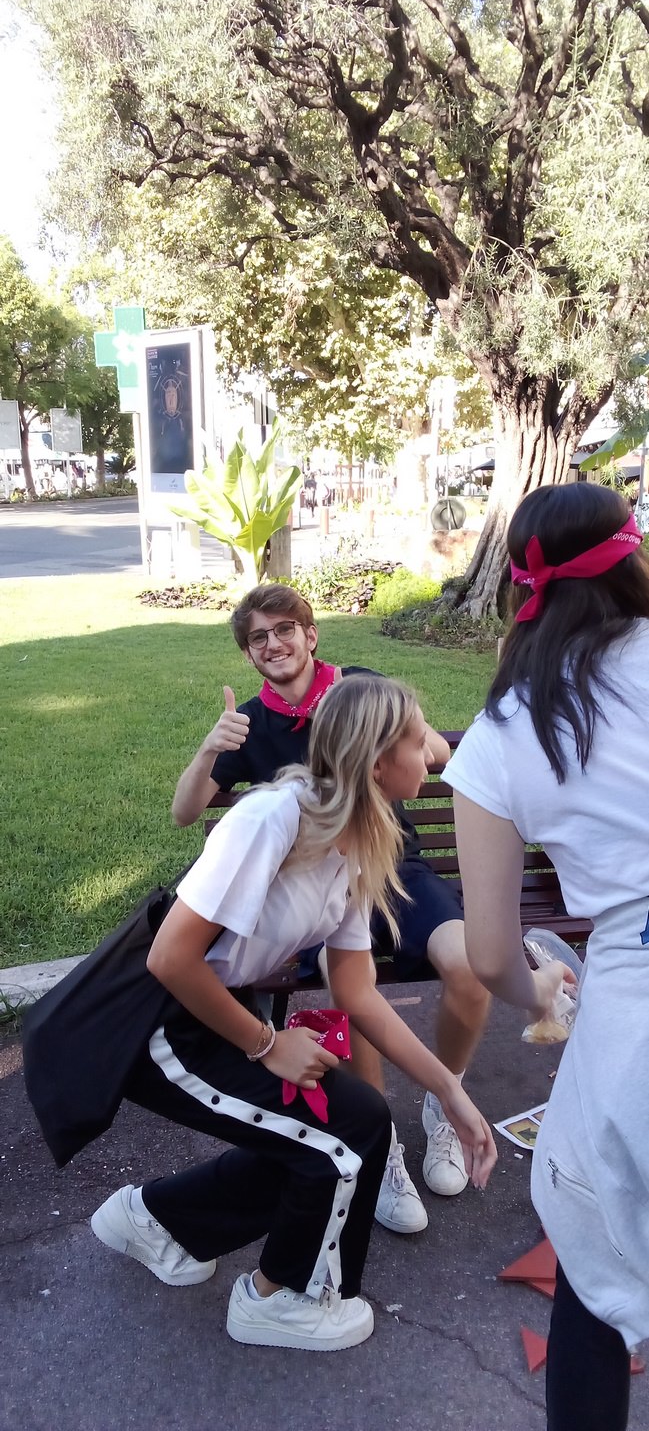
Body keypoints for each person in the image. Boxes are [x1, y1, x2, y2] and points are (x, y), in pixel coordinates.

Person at [91, 675, 497, 1352]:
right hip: (152, 1022)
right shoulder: (273, 819)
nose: (430, 750)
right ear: (377, 763)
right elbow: (169, 958)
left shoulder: (359, 841)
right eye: (416, 736)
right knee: (344, 1133)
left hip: (208, 1007)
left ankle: (156, 1221)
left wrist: (448, 1090)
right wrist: (265, 1044)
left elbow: (357, 992)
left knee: (347, 1118)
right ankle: (280, 1300)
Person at [172, 583, 491, 1231]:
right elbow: (182, 831)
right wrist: (265, 1043)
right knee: (309, 1128)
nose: (273, 644)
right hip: (186, 997)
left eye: (284, 629)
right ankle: (378, 1143)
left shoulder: (360, 691)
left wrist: (446, 1088)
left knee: (458, 965)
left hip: (388, 866)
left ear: (310, 633)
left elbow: (435, 751)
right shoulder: (266, 779)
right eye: (258, 637)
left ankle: (422, 1113)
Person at [443, 482, 648, 1431]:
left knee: (594, 1264)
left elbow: (489, 954)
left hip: (631, 1000)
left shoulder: (500, 733)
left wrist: (542, 995)